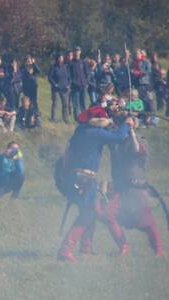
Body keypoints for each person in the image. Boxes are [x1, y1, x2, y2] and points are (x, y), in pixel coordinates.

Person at [57, 106, 134, 262]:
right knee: (89, 213)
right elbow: (119, 137)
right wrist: (128, 124)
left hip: (75, 178)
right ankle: (66, 249)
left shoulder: (80, 131)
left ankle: (85, 248)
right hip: (85, 179)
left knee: (89, 211)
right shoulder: (96, 133)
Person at [98, 119, 164, 256]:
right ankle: (124, 247)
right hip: (120, 187)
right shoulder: (115, 142)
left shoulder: (139, 140)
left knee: (147, 222)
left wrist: (132, 132)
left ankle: (159, 249)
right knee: (107, 214)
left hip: (136, 187)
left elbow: (137, 151)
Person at [48, 54, 71, 123]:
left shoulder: (66, 66)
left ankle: (65, 119)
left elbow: (69, 77)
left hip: (65, 88)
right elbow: (50, 77)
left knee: (65, 104)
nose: (61, 59)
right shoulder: (53, 67)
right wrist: (55, 84)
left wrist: (68, 84)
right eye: (59, 58)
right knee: (55, 104)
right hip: (56, 89)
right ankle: (53, 118)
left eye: (62, 58)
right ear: (57, 59)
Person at [70, 47, 89, 119]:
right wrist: (73, 83)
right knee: (76, 104)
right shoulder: (71, 63)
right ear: (73, 52)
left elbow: (87, 73)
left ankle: (84, 118)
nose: (76, 52)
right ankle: (77, 118)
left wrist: (86, 82)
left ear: (80, 52)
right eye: (75, 50)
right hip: (75, 86)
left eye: (78, 50)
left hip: (83, 85)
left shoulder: (83, 62)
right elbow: (69, 75)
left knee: (83, 103)